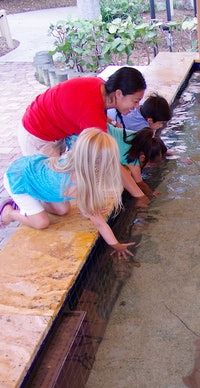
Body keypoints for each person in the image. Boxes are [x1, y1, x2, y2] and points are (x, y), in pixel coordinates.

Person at [18, 66, 150, 206]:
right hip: (37, 135)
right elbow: (110, 161)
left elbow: (79, 108)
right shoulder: (92, 110)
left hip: (56, 132)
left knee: (64, 192)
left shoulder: (99, 87)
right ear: (118, 93)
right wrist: (139, 195)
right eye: (135, 101)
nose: (137, 107)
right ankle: (17, 202)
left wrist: (110, 121)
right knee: (58, 204)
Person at [1, 128, 135, 259]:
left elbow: (86, 206)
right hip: (19, 179)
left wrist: (89, 209)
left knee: (63, 210)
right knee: (41, 222)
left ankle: (35, 202)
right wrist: (116, 245)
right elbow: (99, 223)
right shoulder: (76, 184)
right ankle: (10, 213)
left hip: (37, 174)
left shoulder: (75, 161)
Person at [107, 92, 172, 134]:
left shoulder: (139, 107)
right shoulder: (142, 128)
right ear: (150, 120)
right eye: (160, 123)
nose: (161, 126)